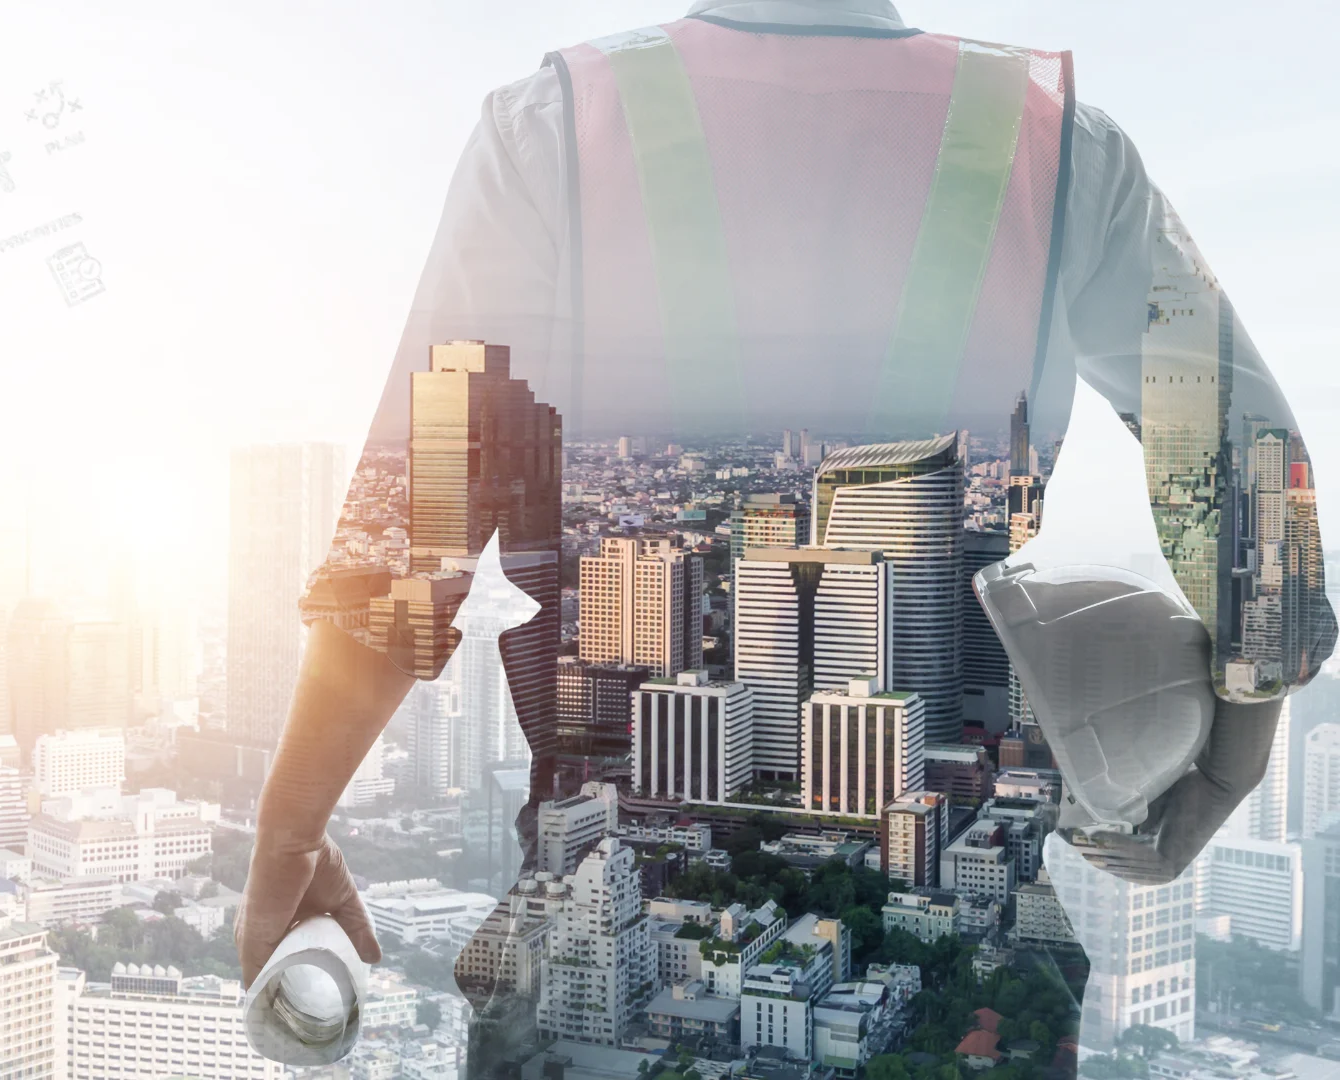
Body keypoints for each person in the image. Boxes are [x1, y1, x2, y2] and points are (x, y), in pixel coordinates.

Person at [238, 0, 1335, 1069]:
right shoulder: (1055, 142)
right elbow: (1249, 472)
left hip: (588, 1005)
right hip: (965, 990)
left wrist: (290, 830)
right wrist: (1226, 767)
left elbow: (409, 535)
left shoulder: (552, 129)